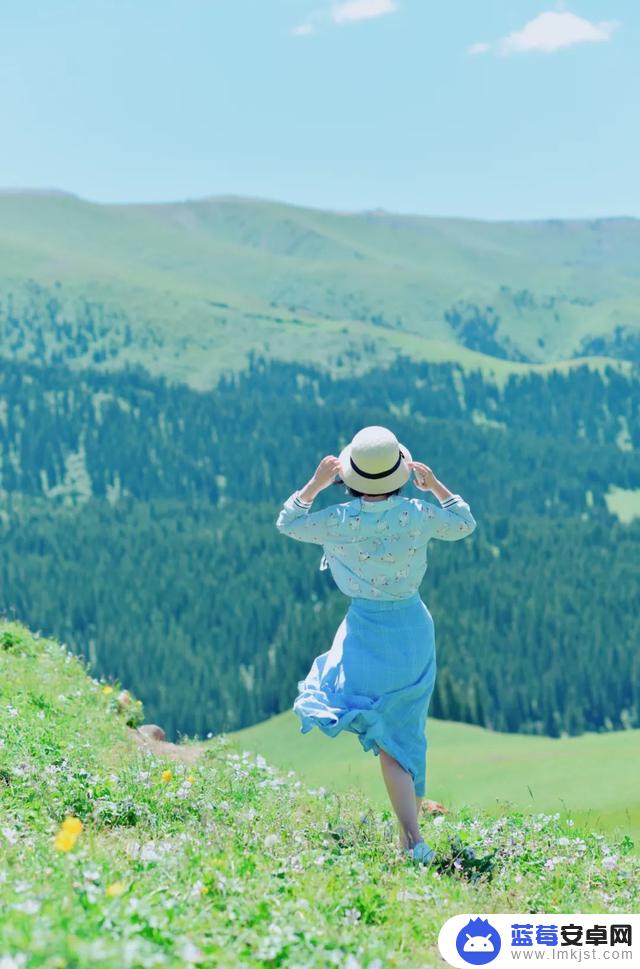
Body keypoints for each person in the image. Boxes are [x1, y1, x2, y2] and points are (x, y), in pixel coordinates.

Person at [275, 425, 476, 864]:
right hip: (412, 630)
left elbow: (287, 521)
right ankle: (411, 838)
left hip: (364, 632)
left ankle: (411, 839)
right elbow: (464, 522)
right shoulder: (418, 512)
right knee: (405, 735)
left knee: (385, 734)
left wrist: (316, 483)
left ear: (349, 475)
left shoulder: (337, 521)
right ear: (402, 472)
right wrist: (436, 484)